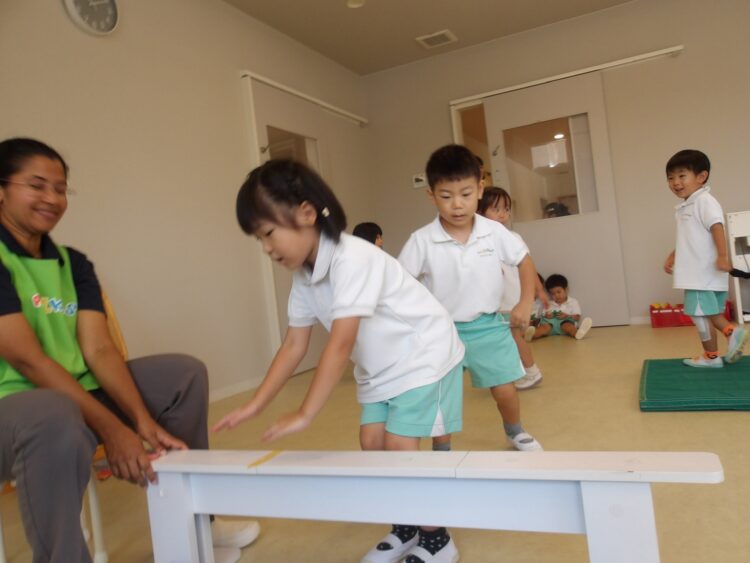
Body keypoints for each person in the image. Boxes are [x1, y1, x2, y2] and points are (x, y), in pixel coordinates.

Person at [0, 138, 258, 563]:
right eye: (37, 185)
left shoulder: (72, 263)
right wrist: (113, 430)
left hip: (74, 398)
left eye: (61, 188)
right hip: (16, 410)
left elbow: (100, 349)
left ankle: (195, 527)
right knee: (52, 414)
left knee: (182, 376)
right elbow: (28, 360)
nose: (52, 198)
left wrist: (141, 421)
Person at [213, 159, 465, 563]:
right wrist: (256, 404)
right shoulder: (304, 276)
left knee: (401, 446)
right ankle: (406, 526)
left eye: (269, 233)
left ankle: (438, 540)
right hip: (381, 367)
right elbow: (293, 346)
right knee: (372, 443)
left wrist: (305, 413)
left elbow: (341, 343)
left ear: (306, 213)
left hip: (423, 355)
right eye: (258, 238)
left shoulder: (353, 258)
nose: (266, 248)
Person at [398, 144, 542, 452]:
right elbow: (400, 284)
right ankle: (442, 448)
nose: (457, 205)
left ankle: (514, 431)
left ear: (480, 189)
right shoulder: (421, 240)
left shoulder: (493, 231)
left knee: (504, 388)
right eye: (446, 196)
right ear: (431, 195)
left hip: (488, 326)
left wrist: (525, 301)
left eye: (465, 194)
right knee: (442, 395)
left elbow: (524, 260)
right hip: (441, 331)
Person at [663, 149, 748, 367]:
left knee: (699, 315)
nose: (675, 182)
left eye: (682, 176)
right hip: (705, 272)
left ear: (701, 176)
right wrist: (674, 255)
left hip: (700, 274)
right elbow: (691, 239)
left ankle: (724, 341)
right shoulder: (688, 205)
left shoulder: (703, 201)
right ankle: (719, 348)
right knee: (709, 312)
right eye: (671, 178)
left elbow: (717, 227)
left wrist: (723, 256)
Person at [478, 186, 547, 390]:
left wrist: (539, 290)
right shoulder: (480, 241)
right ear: (480, 212)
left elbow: (529, 265)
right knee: (508, 339)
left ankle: (531, 372)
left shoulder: (513, 237)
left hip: (512, 301)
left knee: (514, 338)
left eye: (506, 209)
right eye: (496, 209)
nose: (503, 214)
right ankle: (518, 372)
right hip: (500, 302)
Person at [527, 274, 592, 341]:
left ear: (566, 290)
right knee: (543, 328)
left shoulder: (573, 302)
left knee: (568, 326)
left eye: (559, 292)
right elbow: (542, 315)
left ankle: (577, 334)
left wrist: (567, 316)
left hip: (564, 324)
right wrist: (547, 315)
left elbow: (577, 317)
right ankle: (531, 335)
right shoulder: (548, 303)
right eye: (553, 294)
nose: (556, 296)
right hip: (549, 325)